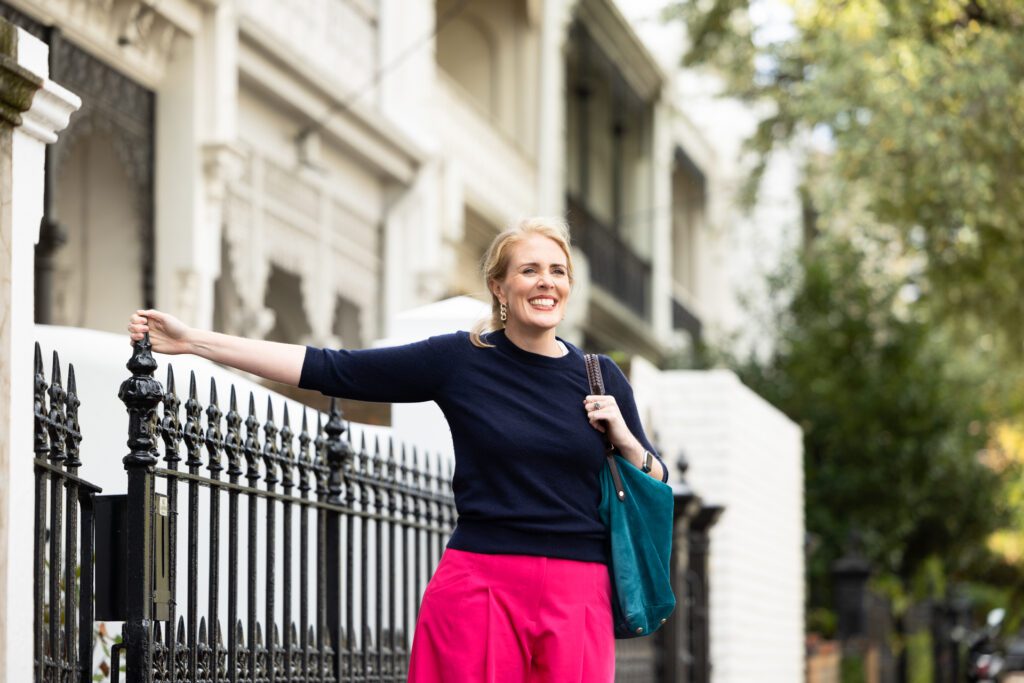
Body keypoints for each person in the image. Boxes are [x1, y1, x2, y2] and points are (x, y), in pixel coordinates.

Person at [127, 216, 667, 683]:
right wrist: (196, 342)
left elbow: (655, 477)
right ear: (500, 288)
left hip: (579, 591)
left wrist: (622, 437)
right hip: (483, 583)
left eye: (558, 271)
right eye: (529, 270)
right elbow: (333, 369)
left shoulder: (600, 377)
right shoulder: (461, 360)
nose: (545, 282)